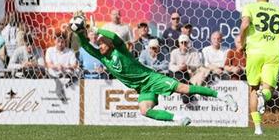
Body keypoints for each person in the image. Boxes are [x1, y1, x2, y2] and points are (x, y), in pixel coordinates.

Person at [72, 15, 220, 126]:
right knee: (144, 110)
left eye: (101, 43)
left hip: (151, 78)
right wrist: (78, 33)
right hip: (142, 88)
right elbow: (86, 46)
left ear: (109, 44)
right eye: (98, 44)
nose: (99, 46)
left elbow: (114, 36)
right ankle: (178, 119)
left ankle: (220, 95)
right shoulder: (103, 58)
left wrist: (95, 29)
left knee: (183, 88)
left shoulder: (121, 50)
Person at [237, 0, 279, 135]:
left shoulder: (249, 7)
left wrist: (240, 43)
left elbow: (244, 25)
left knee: (253, 89)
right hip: (273, 54)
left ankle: (257, 128)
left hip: (254, 53)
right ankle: (264, 96)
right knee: (267, 89)